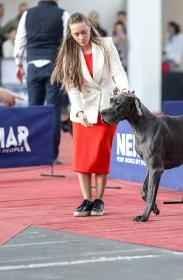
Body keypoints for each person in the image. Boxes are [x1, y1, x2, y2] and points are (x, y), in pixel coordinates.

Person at [51, 12, 129, 217]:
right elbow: (71, 86)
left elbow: (118, 71)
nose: (80, 37)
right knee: (82, 158)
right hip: (83, 109)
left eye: (83, 32)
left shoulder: (106, 44)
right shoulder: (69, 52)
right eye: (75, 34)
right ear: (70, 34)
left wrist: (124, 91)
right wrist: (77, 110)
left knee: (101, 155)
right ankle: (86, 200)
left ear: (90, 27)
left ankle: (99, 201)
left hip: (106, 108)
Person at [14, 0, 70, 164]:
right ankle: (51, 155)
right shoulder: (63, 14)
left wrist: (18, 65)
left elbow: (20, 40)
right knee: (53, 110)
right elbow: (68, 43)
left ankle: (33, 153)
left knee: (34, 109)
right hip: (53, 65)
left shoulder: (27, 14)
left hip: (32, 65)